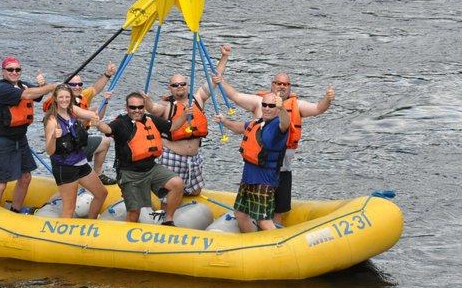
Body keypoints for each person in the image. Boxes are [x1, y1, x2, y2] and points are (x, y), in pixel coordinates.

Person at [214, 56, 335, 225]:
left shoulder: (296, 106)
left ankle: (274, 237)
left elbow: (318, 108)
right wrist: (221, 75)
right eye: (278, 83)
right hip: (261, 168)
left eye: (285, 84)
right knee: (251, 214)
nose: (281, 86)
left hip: (283, 169)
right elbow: (234, 96)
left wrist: (328, 99)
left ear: (289, 87)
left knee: (278, 211)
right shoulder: (260, 102)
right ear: (272, 85)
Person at [92, 92, 193, 225]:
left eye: (140, 107)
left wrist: (185, 115)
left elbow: (172, 127)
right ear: (126, 107)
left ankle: (168, 220)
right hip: (129, 174)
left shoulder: (151, 119)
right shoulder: (121, 123)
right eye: (133, 107)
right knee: (134, 213)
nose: (137, 110)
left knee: (177, 183)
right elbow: (108, 129)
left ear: (144, 107)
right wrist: (98, 124)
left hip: (151, 168)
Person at [143, 45, 231, 196]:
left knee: (195, 192)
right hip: (172, 156)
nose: (180, 87)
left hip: (194, 157)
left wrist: (224, 57)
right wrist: (147, 101)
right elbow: (153, 109)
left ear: (187, 85)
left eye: (182, 84)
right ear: (169, 88)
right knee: (170, 193)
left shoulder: (197, 99)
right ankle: (167, 213)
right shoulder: (166, 105)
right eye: (175, 85)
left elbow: (213, 81)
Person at [0, 56, 59, 212]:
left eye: (17, 69)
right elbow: (27, 95)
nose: (14, 72)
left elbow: (37, 94)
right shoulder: (0, 89)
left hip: (20, 138)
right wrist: (52, 86)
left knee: (26, 177)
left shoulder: (23, 84)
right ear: (3, 72)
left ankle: (15, 210)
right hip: (2, 140)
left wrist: (45, 85)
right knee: (1, 182)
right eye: (10, 69)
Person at [214, 92, 289, 232]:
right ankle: (250, 244)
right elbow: (240, 128)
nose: (266, 108)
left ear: (277, 108)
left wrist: (283, 108)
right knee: (240, 214)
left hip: (264, 181)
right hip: (248, 178)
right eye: (264, 105)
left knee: (263, 221)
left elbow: (286, 123)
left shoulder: (278, 126)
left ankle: (280, 248)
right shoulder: (257, 122)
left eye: (271, 106)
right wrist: (224, 121)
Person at [43, 62, 117, 185]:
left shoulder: (82, 96)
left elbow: (95, 89)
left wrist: (107, 75)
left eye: (80, 84)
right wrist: (45, 86)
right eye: (73, 85)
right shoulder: (59, 105)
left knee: (105, 142)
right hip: (66, 148)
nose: (77, 87)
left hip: (80, 142)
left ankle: (98, 174)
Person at [43, 84, 108, 218]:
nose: (64, 100)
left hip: (80, 162)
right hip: (65, 167)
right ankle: (60, 237)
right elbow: (49, 151)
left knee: (102, 194)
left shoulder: (72, 109)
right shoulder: (52, 121)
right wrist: (54, 138)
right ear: (55, 99)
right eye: (61, 97)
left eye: (67, 97)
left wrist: (95, 117)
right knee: (69, 209)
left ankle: (90, 223)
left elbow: (90, 114)